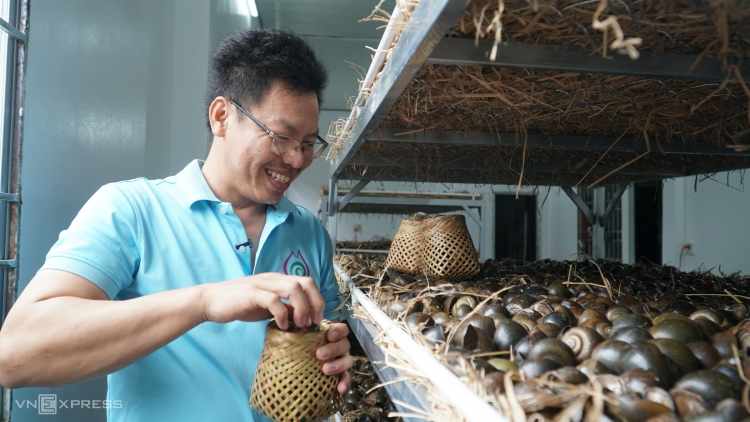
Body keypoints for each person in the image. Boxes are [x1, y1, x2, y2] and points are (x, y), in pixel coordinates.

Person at [0, 28, 353, 421]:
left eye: (308, 143)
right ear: (222, 117)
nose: (297, 160)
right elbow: (16, 356)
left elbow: (331, 351)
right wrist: (203, 303)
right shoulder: (131, 209)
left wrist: (335, 355)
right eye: (282, 137)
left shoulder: (309, 233)